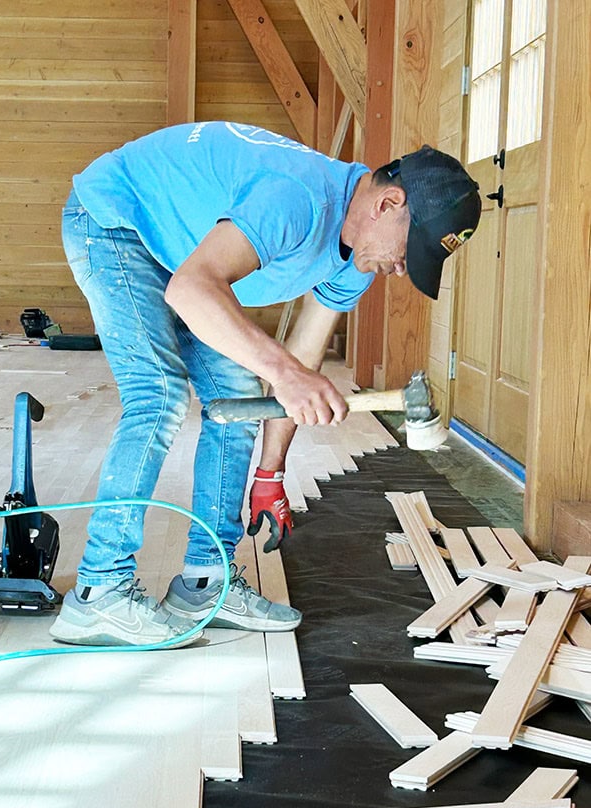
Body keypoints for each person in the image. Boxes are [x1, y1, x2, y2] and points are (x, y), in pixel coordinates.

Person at [48, 123, 481, 649]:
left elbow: (299, 363)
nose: (401, 267)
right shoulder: (295, 197)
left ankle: (205, 583)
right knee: (159, 394)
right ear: (388, 203)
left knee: (236, 404)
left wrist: (271, 472)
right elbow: (193, 288)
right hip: (117, 222)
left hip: (184, 251)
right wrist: (286, 374)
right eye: (409, 250)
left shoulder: (357, 260)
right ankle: (100, 594)